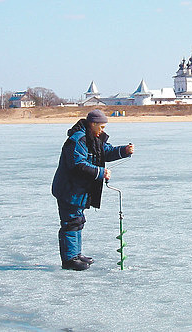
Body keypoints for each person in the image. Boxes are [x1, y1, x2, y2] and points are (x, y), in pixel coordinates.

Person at [52, 109, 134, 271]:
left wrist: (124, 151)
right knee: (71, 222)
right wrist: (101, 173)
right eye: (101, 127)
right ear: (93, 124)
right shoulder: (78, 140)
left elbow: (106, 152)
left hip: (79, 190)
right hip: (69, 190)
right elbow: (77, 164)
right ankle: (69, 259)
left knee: (78, 221)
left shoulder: (94, 138)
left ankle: (76, 254)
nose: (103, 130)